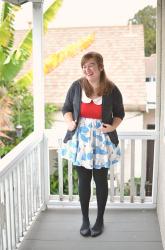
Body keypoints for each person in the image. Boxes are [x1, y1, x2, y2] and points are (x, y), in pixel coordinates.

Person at [61, 51, 125, 237]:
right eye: (84, 66)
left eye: (91, 65)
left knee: (100, 182)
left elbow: (120, 113)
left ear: (100, 67)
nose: (87, 69)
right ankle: (85, 220)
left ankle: (99, 220)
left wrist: (111, 127)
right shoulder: (76, 86)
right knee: (83, 181)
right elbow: (66, 108)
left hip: (101, 141)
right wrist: (70, 122)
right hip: (81, 141)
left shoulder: (111, 89)